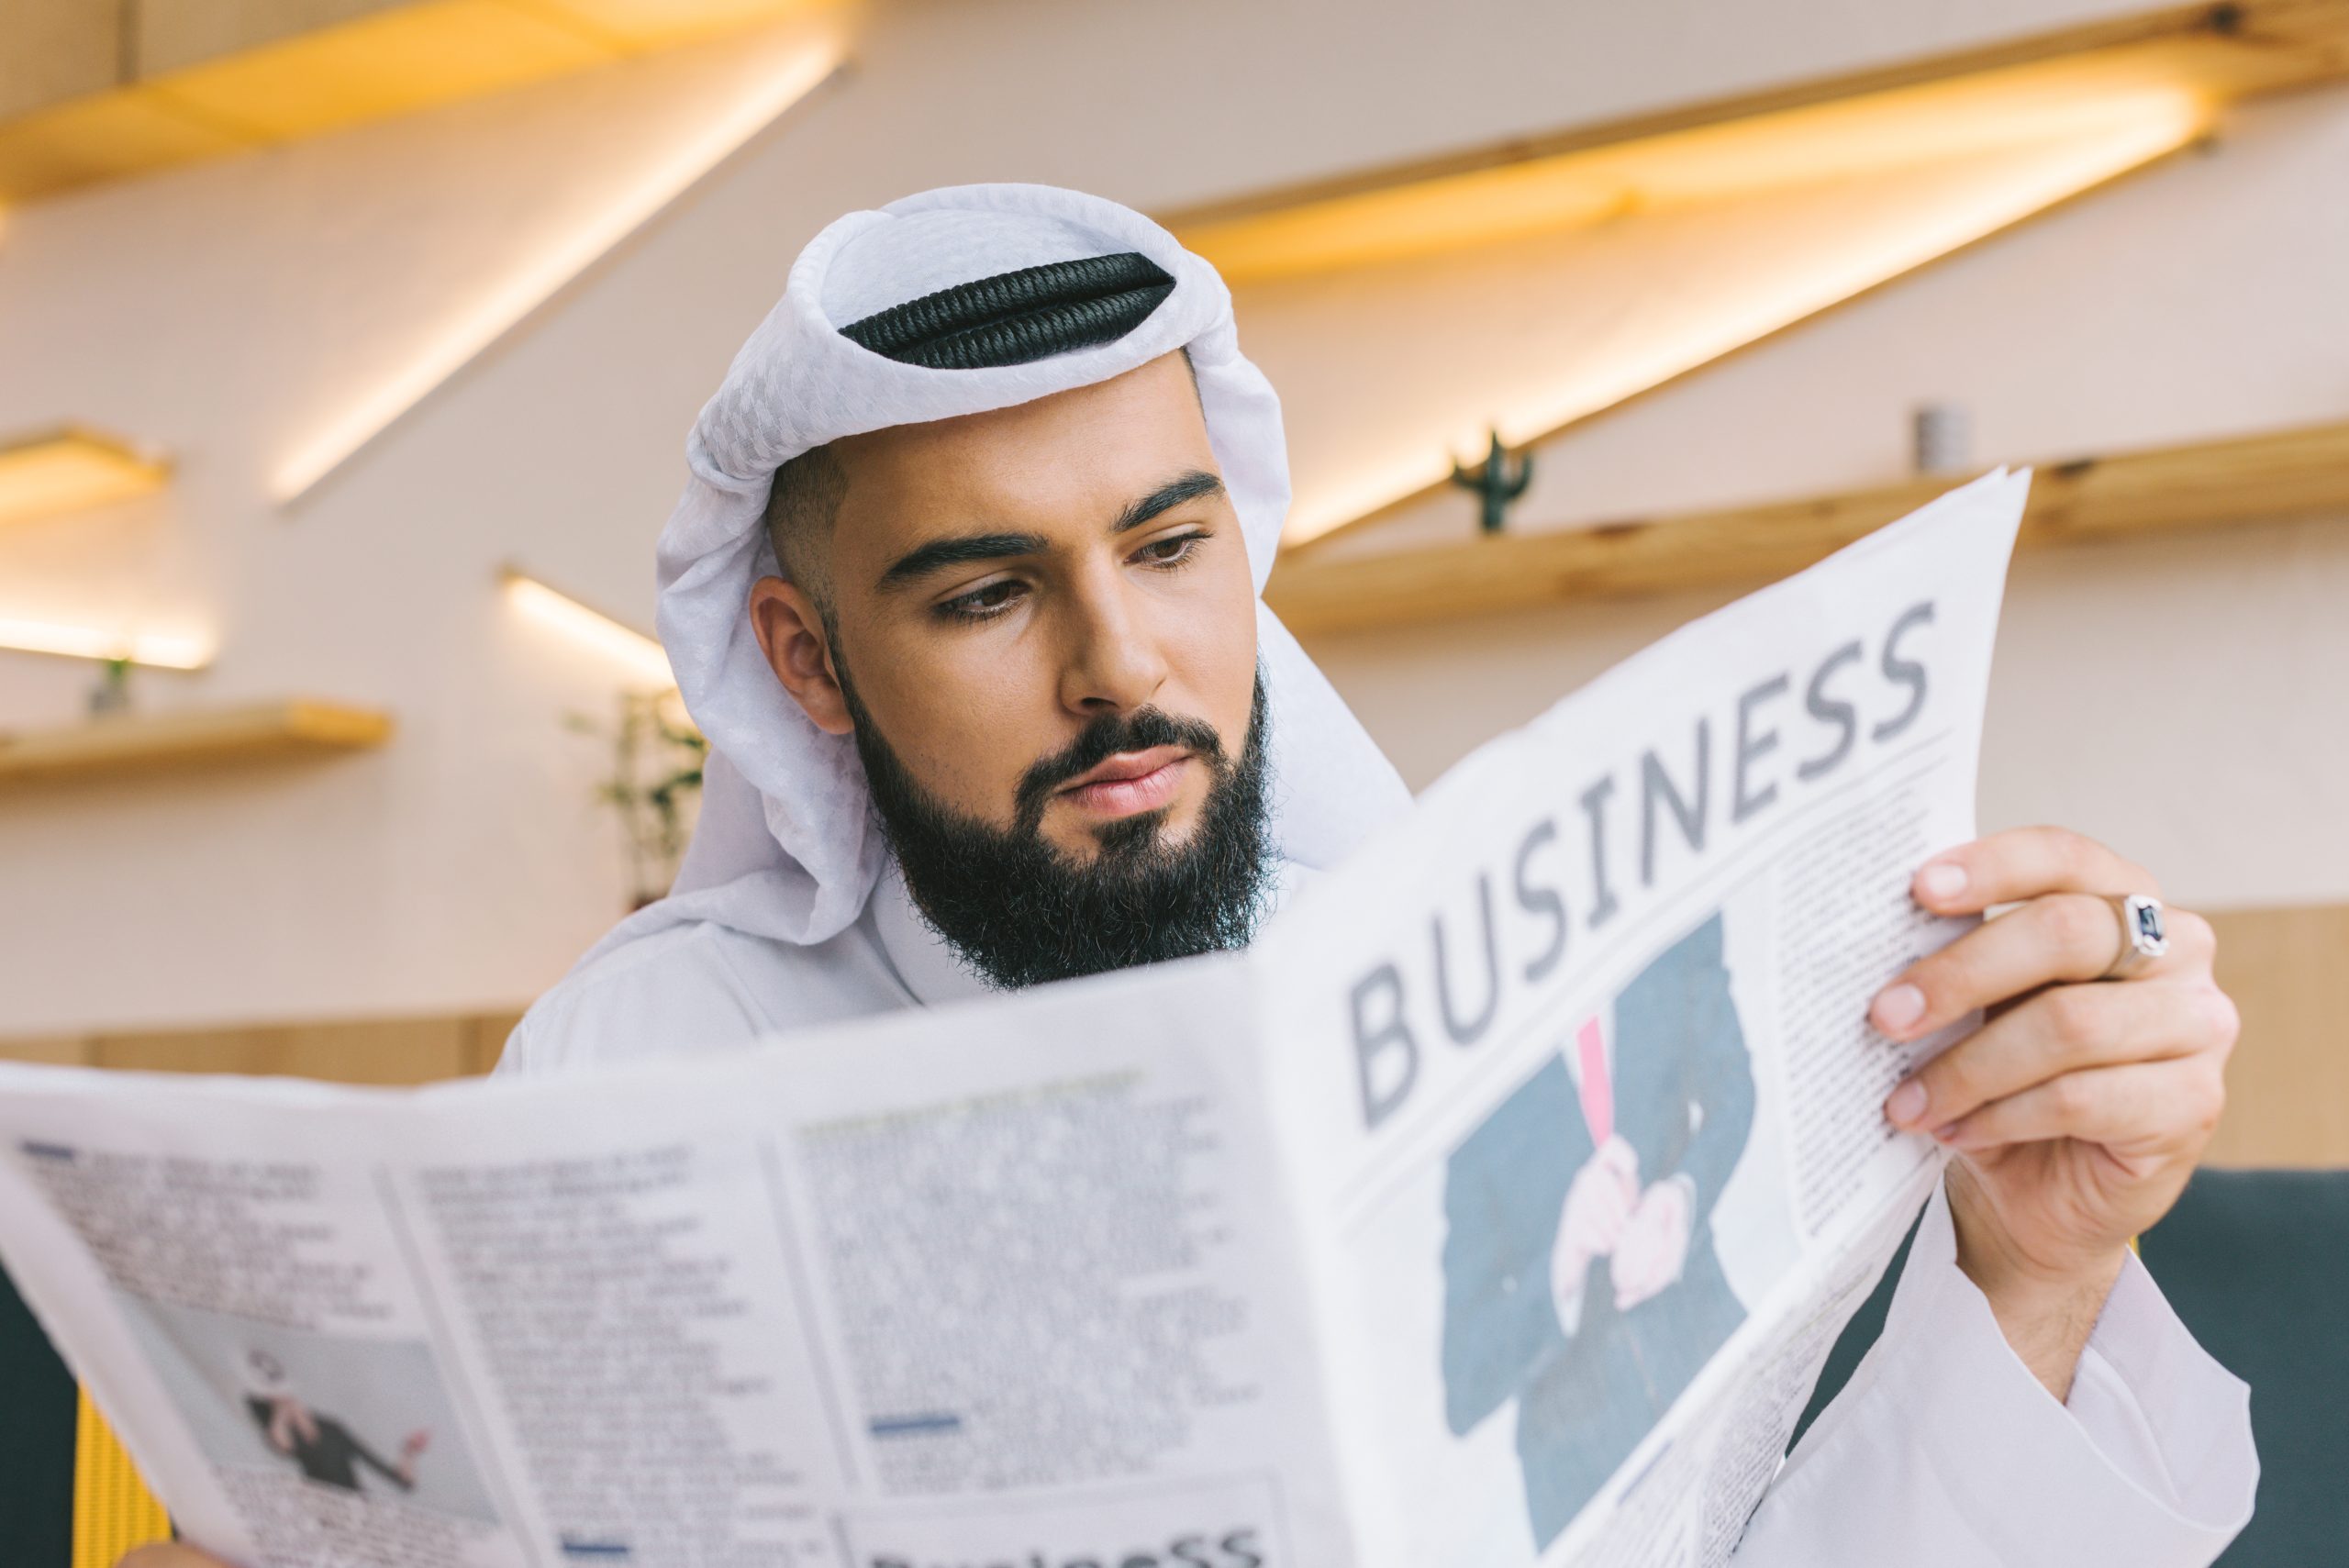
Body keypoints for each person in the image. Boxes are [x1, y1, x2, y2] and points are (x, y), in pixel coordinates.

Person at [129, 183, 2252, 1567]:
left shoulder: (1445, 1003)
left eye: (1166, 549)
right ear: (806, 661)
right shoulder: (646, 1052)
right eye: (983, 592)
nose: (1119, 664)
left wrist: (2034, 1272)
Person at [1442, 912, 1755, 1548]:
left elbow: (1733, 1092)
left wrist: (1683, 1196)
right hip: (1582, 1482)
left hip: (1719, 1373)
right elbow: (1464, 1380)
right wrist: (1562, 1264)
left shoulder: (1670, 930)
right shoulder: (1467, 1063)